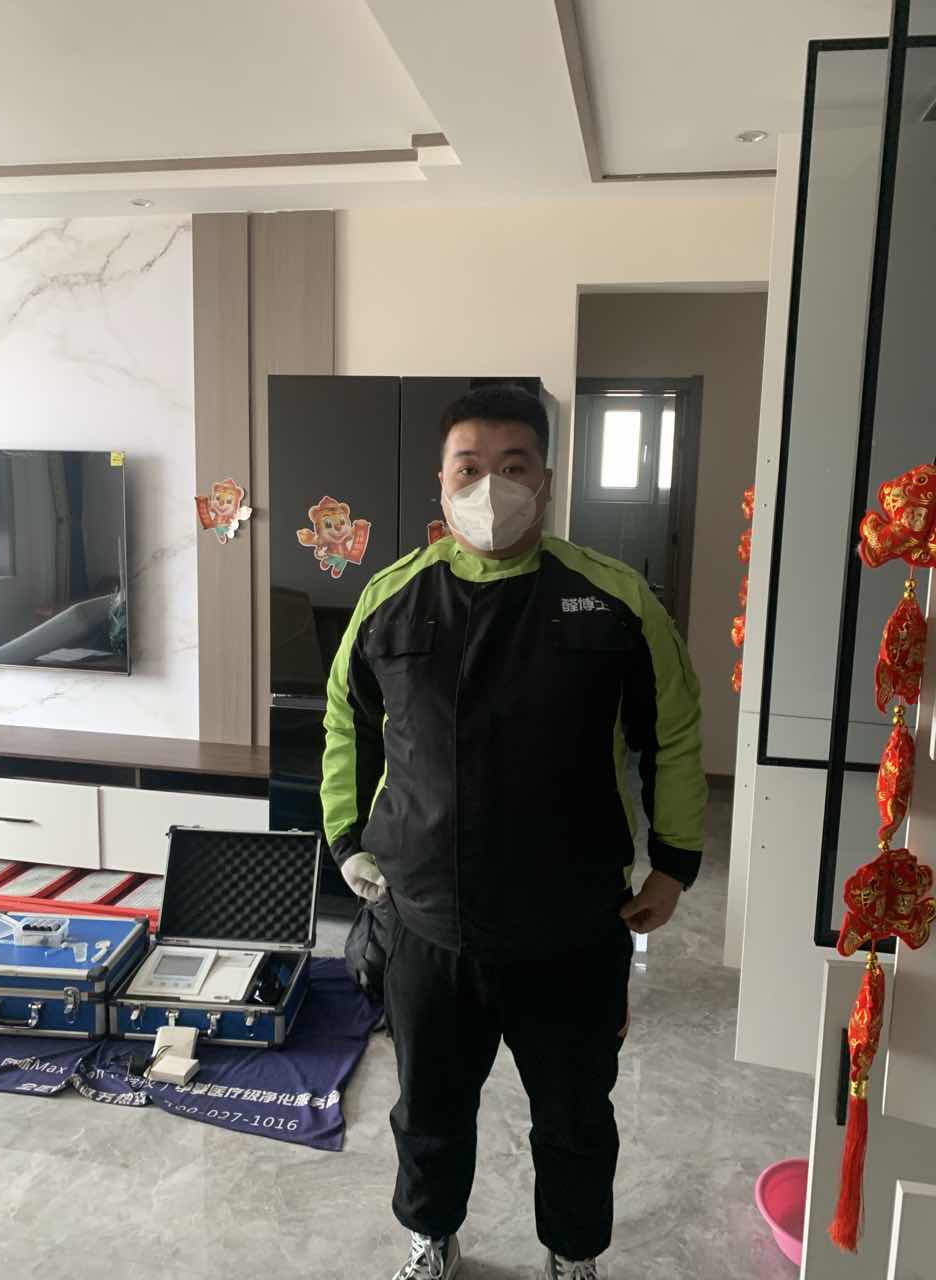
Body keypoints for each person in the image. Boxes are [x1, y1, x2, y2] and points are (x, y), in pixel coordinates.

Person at [322, 384, 706, 1280]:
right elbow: (347, 722)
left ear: (546, 478)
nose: (489, 486)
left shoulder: (612, 599)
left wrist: (674, 863)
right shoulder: (391, 599)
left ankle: (572, 1253)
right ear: (441, 481)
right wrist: (348, 841)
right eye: (469, 468)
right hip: (427, 924)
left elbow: (674, 732)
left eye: (513, 465)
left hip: (570, 927)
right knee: (428, 1111)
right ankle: (432, 1236)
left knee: (575, 1115)